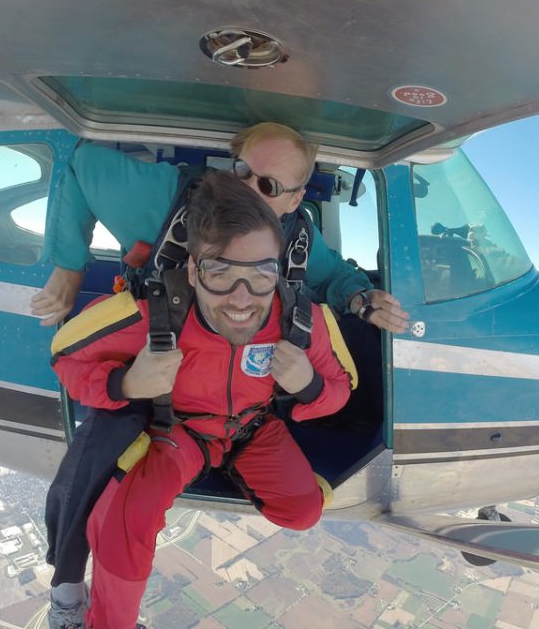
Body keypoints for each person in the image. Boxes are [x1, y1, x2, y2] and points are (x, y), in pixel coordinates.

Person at [41, 123, 406, 628]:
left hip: (250, 422)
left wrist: (314, 376)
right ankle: (73, 597)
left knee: (302, 509)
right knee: (104, 496)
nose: (240, 295)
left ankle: (228, 462)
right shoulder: (157, 283)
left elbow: (331, 302)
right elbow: (80, 160)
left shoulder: (296, 299)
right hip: (174, 418)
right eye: (219, 272)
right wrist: (69, 274)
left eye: (259, 275)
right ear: (193, 269)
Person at [30, 122, 408, 333]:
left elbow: (332, 278)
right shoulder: (168, 200)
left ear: (294, 200)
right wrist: (67, 269)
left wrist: (361, 298)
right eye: (243, 171)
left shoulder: (298, 236)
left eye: (268, 185)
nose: (245, 188)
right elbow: (81, 164)